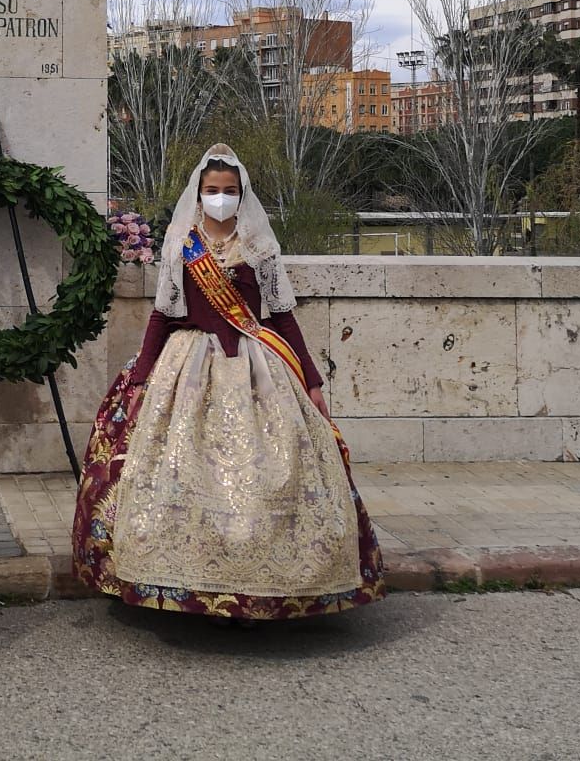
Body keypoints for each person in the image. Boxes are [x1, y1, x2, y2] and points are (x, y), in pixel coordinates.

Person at [73, 146, 385, 619]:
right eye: (213, 191)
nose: (221, 199)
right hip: (188, 365)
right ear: (199, 194)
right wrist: (140, 378)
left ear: (243, 196)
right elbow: (162, 316)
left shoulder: (260, 247)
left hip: (259, 367)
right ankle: (175, 579)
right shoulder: (183, 244)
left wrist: (313, 381)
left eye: (230, 192)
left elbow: (282, 317)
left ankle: (272, 582)